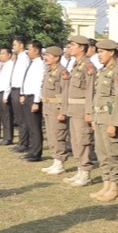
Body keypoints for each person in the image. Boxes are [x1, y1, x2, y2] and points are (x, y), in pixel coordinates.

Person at [89, 39, 118, 203]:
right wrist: (93, 116)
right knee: (102, 153)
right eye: (98, 52)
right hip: (99, 117)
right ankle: (107, 184)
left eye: (102, 52)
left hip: (110, 118)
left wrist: (114, 123)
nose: (99, 55)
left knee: (113, 154)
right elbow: (96, 97)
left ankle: (115, 188)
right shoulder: (102, 71)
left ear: (111, 52)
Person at [60, 35, 97, 187]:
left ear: (81, 48)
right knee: (75, 142)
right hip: (73, 109)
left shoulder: (88, 66)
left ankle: (86, 173)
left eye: (73, 45)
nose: (70, 48)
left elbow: (90, 91)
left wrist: (89, 112)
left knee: (83, 141)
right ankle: (80, 169)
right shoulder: (76, 65)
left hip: (82, 110)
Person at [40, 46, 69, 175]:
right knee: (51, 136)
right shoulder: (49, 70)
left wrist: (63, 111)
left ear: (56, 58)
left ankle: (60, 162)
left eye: (48, 55)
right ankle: (55, 160)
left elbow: (65, 92)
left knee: (58, 135)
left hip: (57, 108)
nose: (45, 58)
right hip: (48, 107)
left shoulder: (62, 72)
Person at [20, 40, 46, 162]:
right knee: (30, 125)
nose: (28, 52)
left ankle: (36, 152)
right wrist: (23, 94)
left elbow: (39, 84)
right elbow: (27, 81)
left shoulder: (40, 64)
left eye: (29, 49)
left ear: (36, 51)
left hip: (34, 98)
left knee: (35, 126)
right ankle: (31, 150)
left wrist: (36, 101)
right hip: (28, 96)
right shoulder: (33, 63)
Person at [10, 37, 31, 153]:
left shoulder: (24, 59)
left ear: (21, 45)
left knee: (22, 119)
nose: (13, 47)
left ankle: (24, 143)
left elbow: (24, 78)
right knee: (19, 118)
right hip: (15, 89)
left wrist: (22, 93)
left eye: (15, 45)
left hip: (20, 90)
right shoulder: (19, 59)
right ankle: (22, 142)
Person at [0, 47, 16, 146]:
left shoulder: (10, 65)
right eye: (0, 53)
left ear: (9, 55)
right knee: (3, 116)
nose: (1, 55)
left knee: (7, 116)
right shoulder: (4, 65)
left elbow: (8, 81)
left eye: (3, 53)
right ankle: (5, 136)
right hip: (0, 92)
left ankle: (8, 137)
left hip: (5, 93)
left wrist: (5, 95)